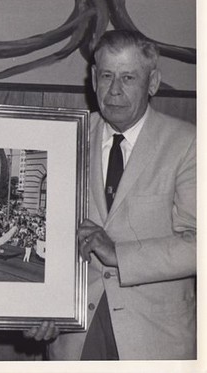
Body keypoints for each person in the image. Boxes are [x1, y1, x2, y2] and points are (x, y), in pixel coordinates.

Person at [25, 30, 196, 360]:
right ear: (93, 78)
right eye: (107, 75)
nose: (115, 90)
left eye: (129, 77)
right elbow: (43, 231)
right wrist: (38, 306)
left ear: (153, 82)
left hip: (157, 340)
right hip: (75, 336)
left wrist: (119, 253)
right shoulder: (66, 138)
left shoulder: (188, 144)